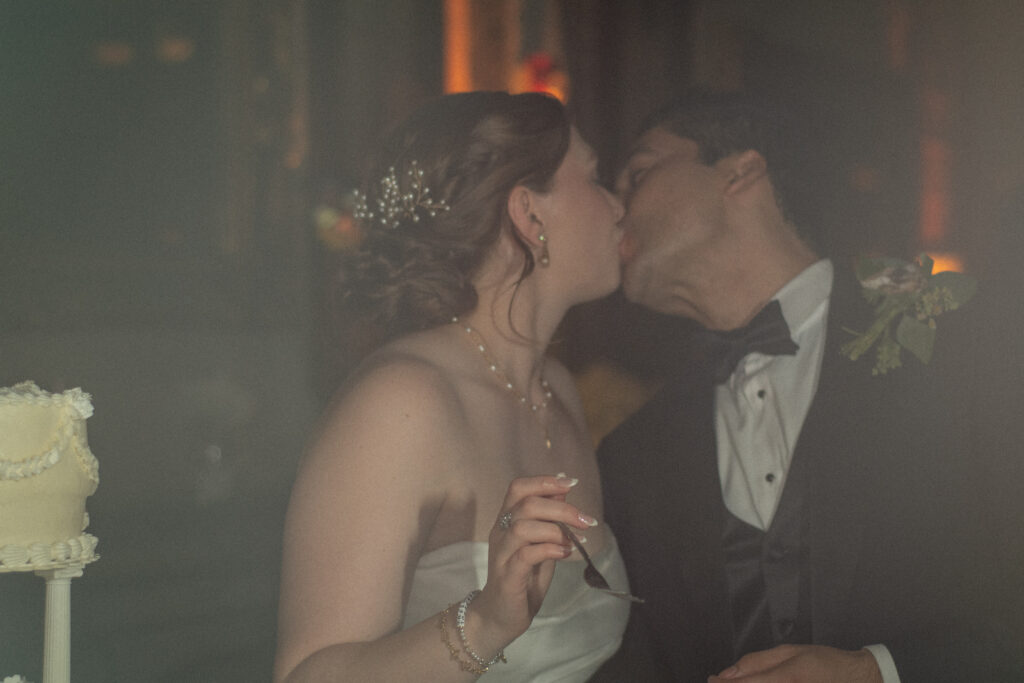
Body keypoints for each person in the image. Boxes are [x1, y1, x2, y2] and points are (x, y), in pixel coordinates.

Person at [593, 90, 1024, 682]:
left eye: (637, 174)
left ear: (741, 172)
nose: (614, 211)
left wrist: (880, 673)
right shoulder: (631, 454)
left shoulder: (969, 342)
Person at [273, 91, 630, 683]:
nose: (619, 207)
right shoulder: (402, 403)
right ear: (528, 214)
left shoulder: (559, 391)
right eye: (593, 176)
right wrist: (485, 623)